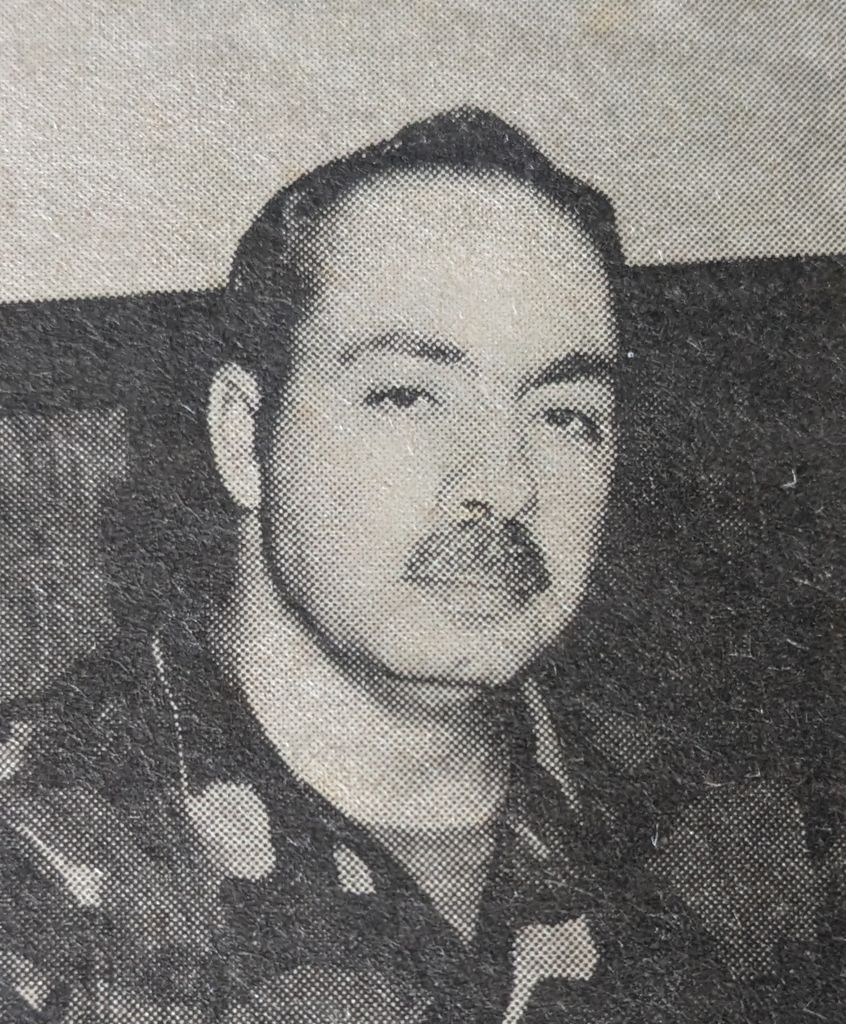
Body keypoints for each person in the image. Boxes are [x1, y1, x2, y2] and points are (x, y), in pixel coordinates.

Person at [0, 107, 835, 1023]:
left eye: (564, 415)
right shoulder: (35, 855)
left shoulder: (749, 843)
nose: (505, 483)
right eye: (407, 396)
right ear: (245, 438)